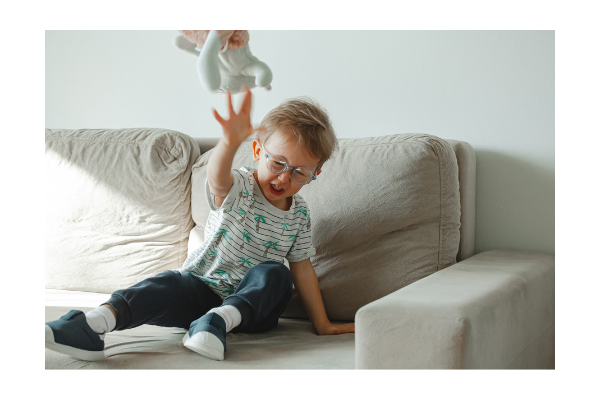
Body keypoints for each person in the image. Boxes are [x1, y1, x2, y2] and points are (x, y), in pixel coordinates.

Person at [44, 87, 355, 362]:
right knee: (166, 283)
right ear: (259, 151)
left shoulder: (299, 215)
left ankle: (216, 322)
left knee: (276, 275)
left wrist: (323, 323)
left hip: (251, 309)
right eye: (278, 163)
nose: (284, 177)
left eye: (300, 172)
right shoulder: (241, 187)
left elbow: (302, 268)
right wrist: (230, 142)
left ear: (316, 174)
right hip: (200, 289)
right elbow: (217, 178)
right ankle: (93, 324)